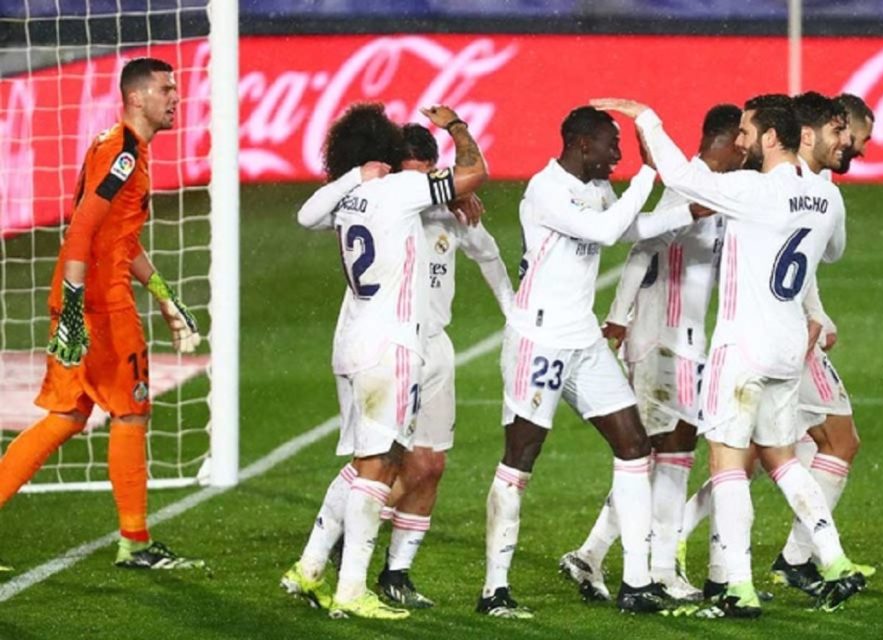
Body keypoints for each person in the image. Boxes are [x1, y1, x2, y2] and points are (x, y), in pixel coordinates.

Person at [594, 94, 865, 617]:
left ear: (771, 137)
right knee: (783, 459)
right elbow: (831, 252)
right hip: (789, 346)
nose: (740, 141)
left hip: (742, 347)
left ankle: (736, 584)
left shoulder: (752, 190)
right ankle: (834, 559)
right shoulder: (827, 197)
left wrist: (647, 117)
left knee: (727, 465)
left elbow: (680, 175)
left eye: (746, 131)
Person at [477, 106, 695, 618]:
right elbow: (603, 232)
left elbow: (628, 228)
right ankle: (494, 590)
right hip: (539, 341)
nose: (617, 155)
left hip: (583, 339)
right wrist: (648, 173)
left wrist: (689, 213)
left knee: (634, 445)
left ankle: (636, 582)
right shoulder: (545, 190)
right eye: (610, 145)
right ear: (581, 144)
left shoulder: (596, 188)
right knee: (521, 456)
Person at [280, 102, 488, 620]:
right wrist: (456, 128)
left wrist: (355, 174)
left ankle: (309, 567)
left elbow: (305, 215)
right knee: (379, 467)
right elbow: (473, 172)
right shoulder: (399, 190)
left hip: (353, 340)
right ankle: (352, 588)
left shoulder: (350, 197)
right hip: (390, 345)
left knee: (362, 463)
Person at [0, 58, 204, 570]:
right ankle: (135, 541)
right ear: (136, 98)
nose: (175, 98)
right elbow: (81, 231)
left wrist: (163, 294)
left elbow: (120, 239)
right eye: (165, 89)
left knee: (67, 416)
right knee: (131, 411)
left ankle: (135, 540)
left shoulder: (117, 146)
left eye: (175, 88)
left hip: (83, 296)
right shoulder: (123, 155)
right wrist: (74, 310)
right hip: (98, 304)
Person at [559, 104, 744, 604]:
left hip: (681, 341)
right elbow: (642, 249)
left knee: (660, 455)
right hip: (663, 339)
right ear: (728, 141)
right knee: (666, 454)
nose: (749, 149)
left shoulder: (714, 190)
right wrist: (619, 317)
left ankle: (594, 554)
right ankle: (658, 569)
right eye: (744, 140)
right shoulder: (690, 188)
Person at [371, 123, 514, 608]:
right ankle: (341, 539)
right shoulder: (383, 208)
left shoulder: (449, 213)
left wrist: (514, 315)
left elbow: (489, 255)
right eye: (407, 175)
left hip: (435, 349)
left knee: (430, 466)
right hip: (392, 348)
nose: (418, 186)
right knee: (380, 463)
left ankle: (395, 573)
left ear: (434, 171)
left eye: (424, 175)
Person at [771, 92, 877, 593]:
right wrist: (813, 315)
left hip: (773, 328)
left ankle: (795, 558)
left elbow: (803, 261)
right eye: (854, 137)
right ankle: (799, 559)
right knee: (837, 441)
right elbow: (827, 252)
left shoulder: (790, 179)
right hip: (789, 334)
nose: (858, 149)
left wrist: (818, 310)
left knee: (757, 455)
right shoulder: (815, 187)